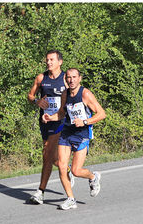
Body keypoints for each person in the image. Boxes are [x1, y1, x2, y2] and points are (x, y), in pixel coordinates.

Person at [42, 68, 106, 210]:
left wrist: (84, 122)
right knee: (62, 167)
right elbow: (61, 113)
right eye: (69, 77)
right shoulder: (65, 94)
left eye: (74, 77)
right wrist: (49, 117)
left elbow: (101, 114)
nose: (71, 80)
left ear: (79, 78)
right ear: (66, 79)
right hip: (66, 132)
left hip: (82, 133)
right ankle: (71, 199)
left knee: (76, 171)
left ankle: (93, 177)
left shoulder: (85, 94)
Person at [27, 50, 70, 204]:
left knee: (46, 154)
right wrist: (37, 102)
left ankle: (40, 192)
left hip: (60, 122)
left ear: (60, 62)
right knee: (53, 159)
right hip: (44, 121)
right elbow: (30, 95)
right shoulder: (41, 78)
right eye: (47, 60)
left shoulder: (66, 78)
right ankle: (67, 170)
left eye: (52, 59)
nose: (48, 62)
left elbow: (75, 96)